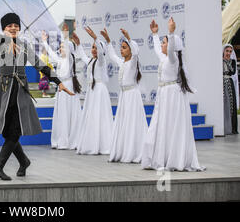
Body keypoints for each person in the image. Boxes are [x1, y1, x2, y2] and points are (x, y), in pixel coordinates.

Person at [0, 13, 75, 181]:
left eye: (16, 25)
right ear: (4, 28)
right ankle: (24, 161)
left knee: (15, 131)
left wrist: (58, 81)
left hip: (20, 93)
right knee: (7, 132)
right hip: (4, 92)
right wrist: (6, 40)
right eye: (9, 25)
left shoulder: (24, 45)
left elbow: (40, 65)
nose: (13, 28)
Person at [141, 18, 205, 171]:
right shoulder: (164, 58)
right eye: (163, 42)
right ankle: (163, 155)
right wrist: (155, 35)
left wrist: (171, 32)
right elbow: (158, 50)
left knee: (170, 126)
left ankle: (172, 157)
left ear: (171, 45)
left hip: (172, 97)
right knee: (161, 126)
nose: (163, 45)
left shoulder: (173, 58)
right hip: (164, 96)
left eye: (165, 42)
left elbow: (169, 50)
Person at [101, 27, 148, 163]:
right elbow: (112, 55)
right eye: (121, 47)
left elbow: (136, 52)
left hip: (132, 96)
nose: (122, 50)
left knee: (132, 123)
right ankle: (123, 150)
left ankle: (133, 151)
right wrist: (108, 40)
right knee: (123, 123)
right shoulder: (122, 62)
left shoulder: (133, 62)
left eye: (124, 47)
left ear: (130, 50)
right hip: (124, 97)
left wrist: (129, 37)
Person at [74, 27, 114, 155]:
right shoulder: (91, 61)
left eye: (96, 47)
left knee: (99, 116)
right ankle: (91, 142)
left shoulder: (101, 61)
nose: (94, 50)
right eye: (92, 47)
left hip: (99, 91)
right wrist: (79, 44)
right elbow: (83, 56)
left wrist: (96, 38)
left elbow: (101, 52)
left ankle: (102, 144)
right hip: (92, 92)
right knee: (91, 116)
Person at [41, 31, 82, 150]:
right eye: (60, 47)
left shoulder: (70, 59)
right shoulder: (60, 60)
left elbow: (71, 52)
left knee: (68, 114)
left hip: (68, 87)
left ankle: (70, 140)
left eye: (63, 47)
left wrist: (69, 40)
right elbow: (50, 53)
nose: (60, 49)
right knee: (62, 114)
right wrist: (44, 41)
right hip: (61, 89)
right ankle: (61, 139)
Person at [223, 44, 239, 135]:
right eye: (227, 51)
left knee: (231, 104)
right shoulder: (220, 61)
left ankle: (232, 127)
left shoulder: (232, 61)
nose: (228, 53)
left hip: (229, 82)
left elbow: (232, 71)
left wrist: (227, 62)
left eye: (230, 51)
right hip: (223, 83)